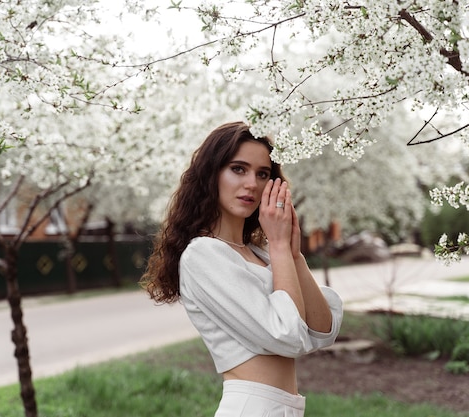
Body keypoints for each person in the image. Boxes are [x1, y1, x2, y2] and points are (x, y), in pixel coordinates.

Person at [140, 121, 343, 417]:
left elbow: (322, 331)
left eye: (263, 174)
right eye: (238, 169)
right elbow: (287, 335)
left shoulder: (260, 253)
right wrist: (278, 246)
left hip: (285, 408)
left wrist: (293, 255)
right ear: (212, 175)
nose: (252, 184)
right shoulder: (203, 255)